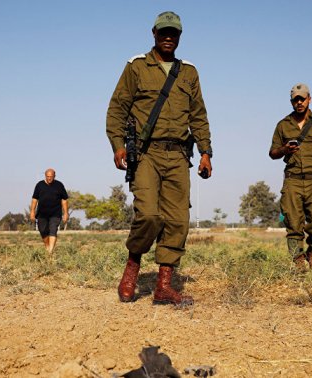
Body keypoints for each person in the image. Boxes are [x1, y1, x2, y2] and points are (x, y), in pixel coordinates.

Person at [106, 11, 213, 306]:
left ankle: (164, 286)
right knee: (149, 215)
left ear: (180, 36)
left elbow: (199, 116)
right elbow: (117, 108)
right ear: (153, 33)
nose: (168, 37)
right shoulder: (137, 67)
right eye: (164, 32)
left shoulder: (189, 72)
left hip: (179, 154)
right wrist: (118, 145)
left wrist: (205, 151)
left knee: (178, 219)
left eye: (174, 33)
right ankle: (132, 267)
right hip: (147, 154)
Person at [269, 84, 312, 269]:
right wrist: (285, 149)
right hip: (292, 180)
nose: (299, 102)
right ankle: (298, 261)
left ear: (309, 99)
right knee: (293, 222)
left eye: (302, 98)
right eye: (295, 99)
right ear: (291, 101)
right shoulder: (283, 125)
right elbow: (273, 153)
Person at [30, 169, 69, 253]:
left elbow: (64, 199)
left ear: (54, 176)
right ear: (45, 176)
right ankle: (48, 247)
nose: (49, 178)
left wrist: (66, 213)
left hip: (55, 213)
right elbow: (34, 199)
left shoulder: (59, 185)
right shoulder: (39, 185)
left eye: (51, 177)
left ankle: (50, 251)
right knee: (43, 231)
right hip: (42, 213)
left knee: (53, 230)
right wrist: (32, 211)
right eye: (48, 177)